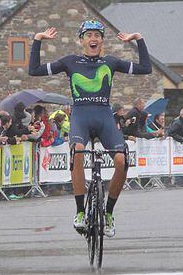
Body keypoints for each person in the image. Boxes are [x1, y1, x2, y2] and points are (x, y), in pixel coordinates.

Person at [29, 20, 152, 237]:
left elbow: (145, 68)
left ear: (102, 40)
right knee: (77, 152)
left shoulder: (111, 62)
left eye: (97, 35)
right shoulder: (70, 61)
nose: (93, 39)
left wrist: (138, 38)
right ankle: (79, 212)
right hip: (81, 116)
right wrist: (38, 40)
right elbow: (34, 70)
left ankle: (108, 214)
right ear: (82, 40)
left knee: (122, 161)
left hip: (104, 115)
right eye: (88, 35)